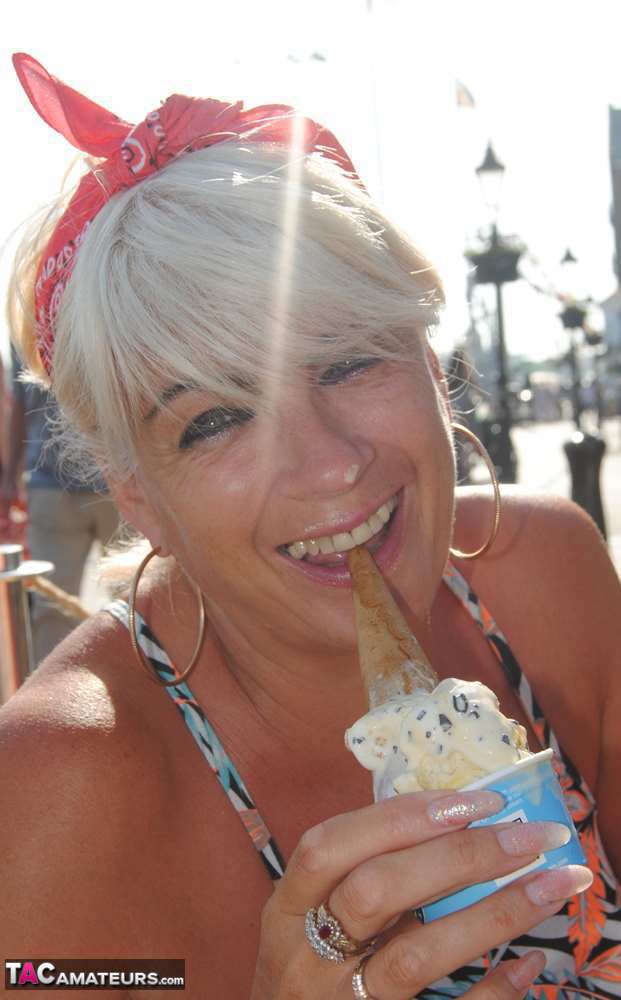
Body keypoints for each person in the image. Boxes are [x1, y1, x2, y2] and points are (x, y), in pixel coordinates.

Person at [1, 52, 619, 1000]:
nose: (329, 463)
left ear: (429, 359)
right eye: (214, 419)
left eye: (348, 358)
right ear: (136, 491)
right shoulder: (53, 788)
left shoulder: (547, 574)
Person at [0, 346, 120, 663]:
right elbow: (18, 404)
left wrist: (10, 479)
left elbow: (17, 406)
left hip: (110, 482)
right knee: (57, 609)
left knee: (135, 600)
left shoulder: (23, 323)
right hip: (65, 484)